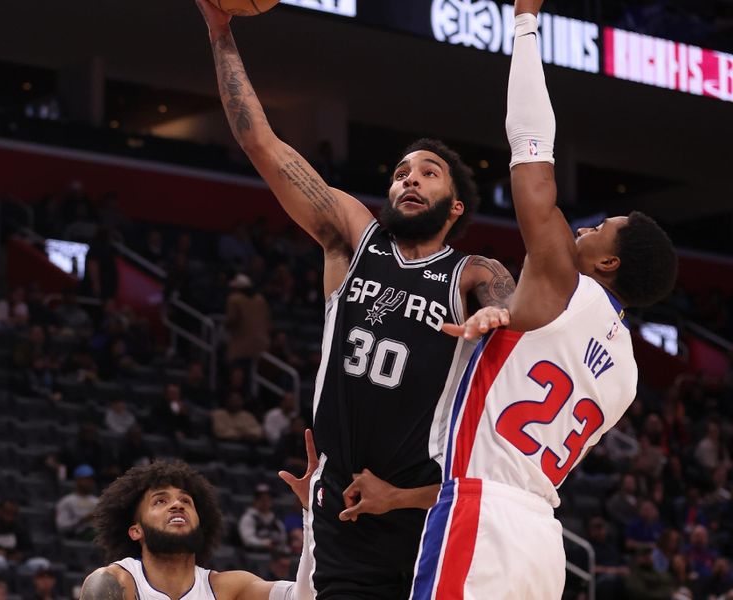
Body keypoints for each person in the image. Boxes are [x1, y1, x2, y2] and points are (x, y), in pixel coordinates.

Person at [194, 2, 515, 596]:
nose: (409, 179)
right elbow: (260, 141)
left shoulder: (472, 272)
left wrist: (500, 314)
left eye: (428, 173)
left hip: (425, 504)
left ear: (457, 206)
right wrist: (221, 33)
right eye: (400, 173)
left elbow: (509, 306)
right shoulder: (353, 239)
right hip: (341, 498)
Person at [403, 0, 677, 597]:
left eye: (600, 228)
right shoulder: (627, 375)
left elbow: (531, 156)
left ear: (609, 263)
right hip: (539, 543)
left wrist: (525, 26)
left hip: (479, 519)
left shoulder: (565, 284)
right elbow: (513, 451)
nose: (583, 228)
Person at [79, 459, 315, 600]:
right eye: (160, 501)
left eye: (186, 501)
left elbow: (305, 597)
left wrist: (311, 512)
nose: (177, 504)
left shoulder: (228, 588)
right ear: (136, 530)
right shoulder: (115, 581)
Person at [56, 464, 100, 540]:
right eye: (86, 479)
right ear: (78, 480)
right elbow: (61, 526)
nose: (90, 482)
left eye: (92, 479)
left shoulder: (97, 501)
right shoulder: (67, 501)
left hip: (97, 537)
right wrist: (82, 520)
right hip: (76, 537)